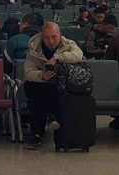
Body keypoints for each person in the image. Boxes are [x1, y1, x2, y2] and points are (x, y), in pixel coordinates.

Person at [22, 21, 84, 151]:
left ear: (60, 35)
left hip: (60, 84)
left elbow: (78, 55)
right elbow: (28, 72)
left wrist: (57, 57)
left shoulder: (68, 44)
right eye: (47, 38)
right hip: (40, 83)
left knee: (44, 95)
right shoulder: (34, 49)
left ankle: (38, 134)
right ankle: (48, 120)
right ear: (42, 36)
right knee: (35, 91)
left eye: (54, 37)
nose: (51, 41)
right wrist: (41, 75)